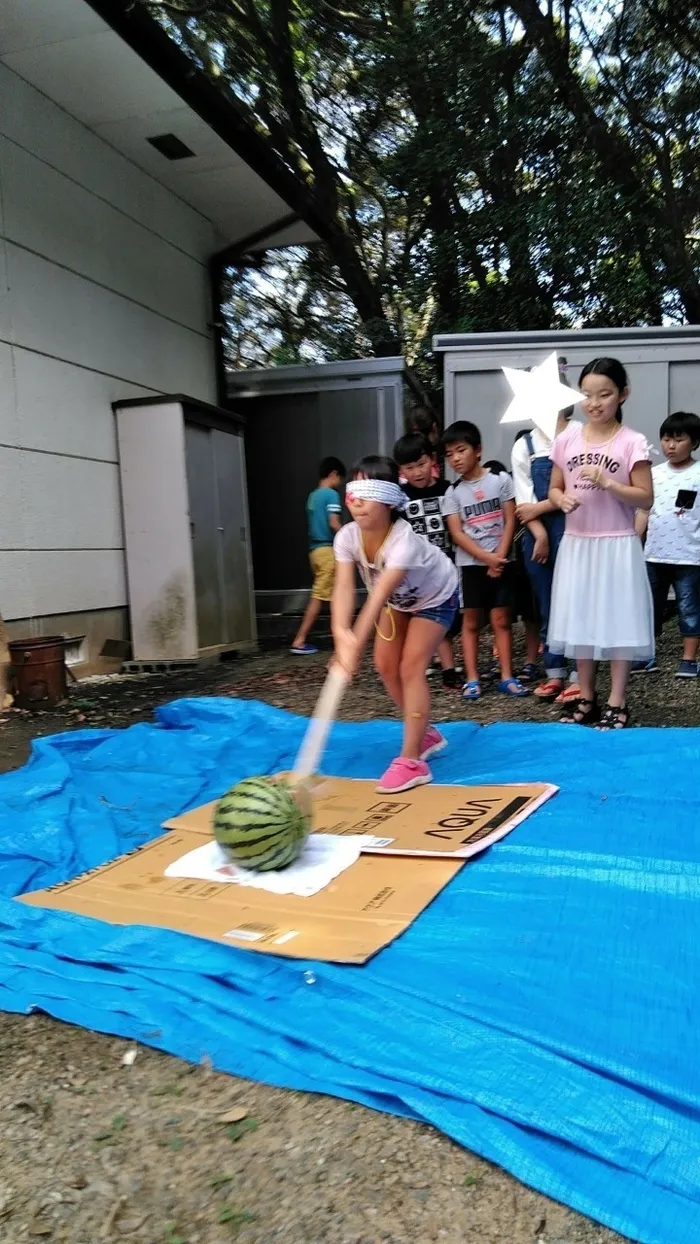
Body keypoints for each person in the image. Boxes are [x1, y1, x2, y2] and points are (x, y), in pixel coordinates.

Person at [332, 456, 459, 793]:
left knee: (410, 667)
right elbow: (344, 587)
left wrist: (352, 647)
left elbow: (376, 598)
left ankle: (412, 761)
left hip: (435, 597)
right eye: (351, 493)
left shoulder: (403, 540)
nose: (356, 501)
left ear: (389, 498)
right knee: (385, 665)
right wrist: (339, 634)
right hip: (398, 602)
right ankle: (425, 733)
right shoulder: (346, 537)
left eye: (367, 492)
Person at [548, 357, 654, 729]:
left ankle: (617, 701)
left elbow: (645, 498)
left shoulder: (632, 442)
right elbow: (555, 487)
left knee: (618, 623)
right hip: (578, 543)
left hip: (616, 545)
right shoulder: (566, 439)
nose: (594, 403)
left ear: (622, 394)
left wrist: (609, 484)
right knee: (581, 622)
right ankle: (586, 697)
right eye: (587, 394)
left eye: (604, 394)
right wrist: (560, 500)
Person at [442, 421, 529, 700]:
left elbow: (509, 519)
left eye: (461, 450)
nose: (455, 458)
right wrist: (487, 558)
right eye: (449, 454)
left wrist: (499, 557)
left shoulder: (501, 481)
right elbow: (457, 533)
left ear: (477, 450)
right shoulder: (452, 493)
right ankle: (472, 679)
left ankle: (506, 676)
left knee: (501, 620)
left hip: (501, 562)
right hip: (471, 566)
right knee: (471, 623)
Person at [512, 419, 581, 703]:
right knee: (547, 602)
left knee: (576, 603)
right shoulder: (524, 445)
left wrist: (541, 507)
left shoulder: (580, 433)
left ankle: (579, 675)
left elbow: (581, 490)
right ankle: (555, 671)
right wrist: (540, 534)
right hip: (538, 531)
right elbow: (523, 504)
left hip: (577, 527)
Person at [634, 410, 700, 678]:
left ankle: (689, 659)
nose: (670, 446)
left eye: (678, 439)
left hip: (690, 556)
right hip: (654, 554)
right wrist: (633, 540)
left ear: (694, 443)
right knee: (649, 606)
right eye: (665, 439)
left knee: (689, 606)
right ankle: (647, 655)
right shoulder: (653, 474)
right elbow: (643, 510)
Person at [394, 431, 460, 689]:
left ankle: (449, 669)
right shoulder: (400, 497)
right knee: (418, 618)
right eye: (409, 468)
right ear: (401, 469)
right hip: (413, 571)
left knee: (442, 621)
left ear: (432, 460)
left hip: (445, 567)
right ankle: (419, 668)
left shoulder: (447, 490)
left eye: (421, 465)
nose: (417, 472)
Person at [483, 458, 541, 684]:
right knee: (500, 616)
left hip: (524, 565)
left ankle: (531, 662)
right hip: (501, 565)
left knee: (531, 615)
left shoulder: (522, 495)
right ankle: (501, 660)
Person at [291, 456, 346, 655]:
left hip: (314, 552)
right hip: (327, 551)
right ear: (333, 474)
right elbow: (333, 523)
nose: (339, 484)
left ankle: (340, 636)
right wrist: (349, 538)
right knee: (320, 596)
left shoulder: (312, 496)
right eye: (340, 479)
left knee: (331, 595)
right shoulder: (331, 495)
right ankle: (299, 639)